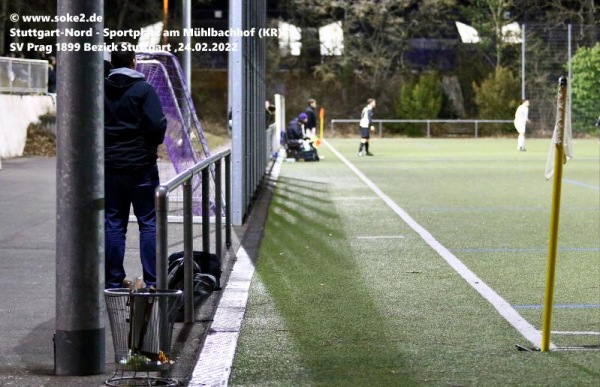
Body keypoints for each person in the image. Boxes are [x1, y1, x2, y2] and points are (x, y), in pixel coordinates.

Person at [104, 42, 167, 289]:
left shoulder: (101, 90)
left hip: (109, 167)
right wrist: (150, 145)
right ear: (134, 61)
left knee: (113, 222)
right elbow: (157, 126)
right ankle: (152, 280)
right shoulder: (144, 90)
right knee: (148, 222)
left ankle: (113, 281)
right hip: (141, 166)